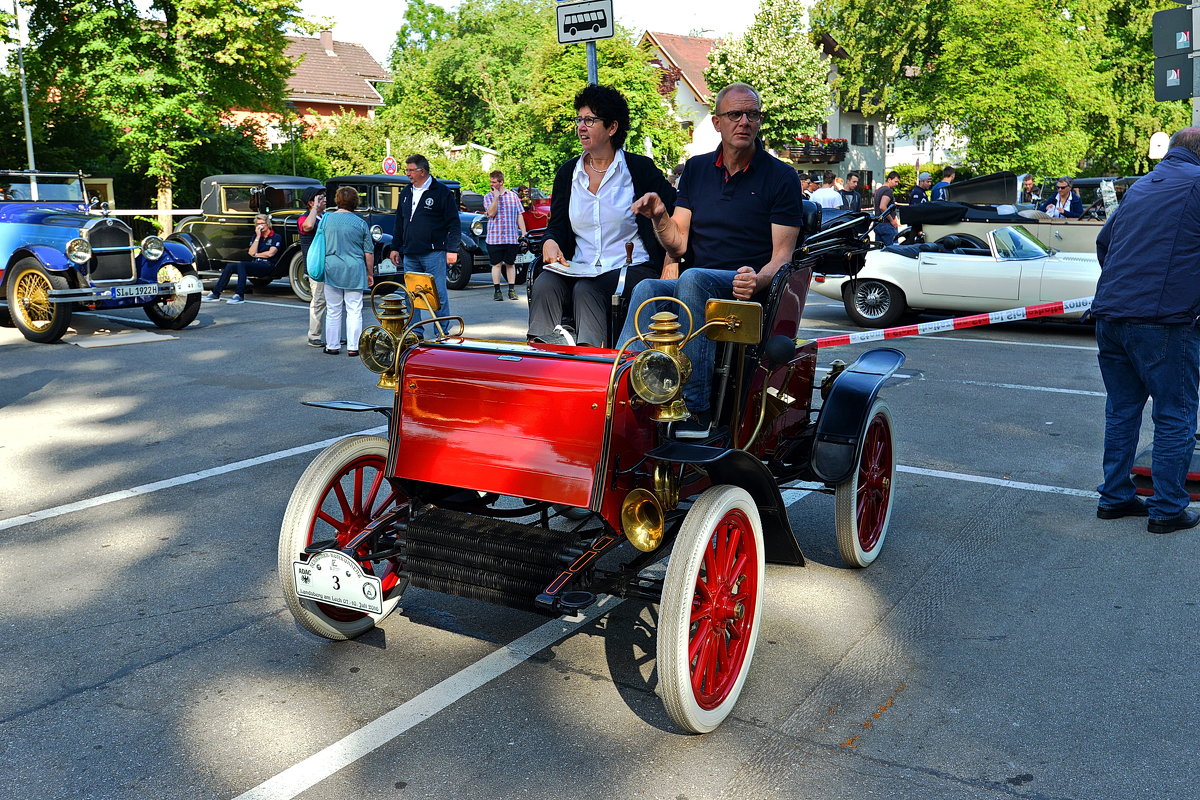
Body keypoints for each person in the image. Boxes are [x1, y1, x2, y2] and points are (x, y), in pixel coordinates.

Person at [618, 82, 804, 438]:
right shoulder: (697, 169)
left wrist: (759, 279)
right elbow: (679, 243)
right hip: (699, 281)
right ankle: (625, 389)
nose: (744, 122)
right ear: (717, 122)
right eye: (735, 114)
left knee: (694, 279)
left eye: (752, 114)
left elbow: (783, 257)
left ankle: (694, 408)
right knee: (647, 287)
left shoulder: (781, 176)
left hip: (746, 289)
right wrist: (659, 215)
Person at [1091, 127, 1200, 534]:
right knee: (1176, 414)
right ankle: (1168, 508)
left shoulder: (1140, 186)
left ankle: (1115, 497)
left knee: (1122, 409)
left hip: (1112, 314)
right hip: (1165, 320)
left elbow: (1105, 242)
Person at [531, 83, 677, 348]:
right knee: (545, 282)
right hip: (580, 266)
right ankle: (542, 357)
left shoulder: (638, 169)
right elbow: (558, 227)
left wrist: (671, 258)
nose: (581, 126)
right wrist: (549, 241)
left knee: (588, 290)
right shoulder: (567, 174)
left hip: (630, 266)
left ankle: (592, 365)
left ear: (612, 128)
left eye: (590, 120)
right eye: (579, 119)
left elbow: (676, 214)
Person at [388, 154, 459, 329]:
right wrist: (395, 247)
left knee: (438, 293)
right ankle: (415, 331)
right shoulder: (406, 192)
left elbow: (454, 223)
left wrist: (452, 249)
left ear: (423, 171)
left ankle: (442, 331)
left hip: (434, 252)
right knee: (412, 294)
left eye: (411, 170)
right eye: (407, 170)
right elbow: (399, 222)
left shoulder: (441, 192)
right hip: (410, 252)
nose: (408, 174)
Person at [320, 186, 374, 355]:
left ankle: (332, 345)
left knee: (333, 309)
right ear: (355, 202)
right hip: (354, 268)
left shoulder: (326, 220)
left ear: (337, 200)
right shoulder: (360, 223)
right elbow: (368, 251)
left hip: (332, 267)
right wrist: (369, 272)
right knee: (354, 309)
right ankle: (353, 347)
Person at [202, 213, 280, 304]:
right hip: (256, 263)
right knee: (230, 266)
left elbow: (270, 253)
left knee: (242, 265)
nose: (260, 226)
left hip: (267, 264)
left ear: (268, 224)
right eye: (258, 224)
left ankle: (239, 295)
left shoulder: (275, 237)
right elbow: (251, 252)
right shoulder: (256, 237)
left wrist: (256, 254)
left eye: (262, 224)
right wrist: (258, 237)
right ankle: (216, 293)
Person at [483, 170, 527, 301]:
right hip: (494, 237)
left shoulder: (513, 197)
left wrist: (524, 233)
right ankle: (497, 291)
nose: (492, 184)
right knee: (496, 264)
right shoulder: (488, 197)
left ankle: (511, 290)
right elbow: (491, 213)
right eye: (491, 182)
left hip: (510, 236)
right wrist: (496, 198)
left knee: (510, 263)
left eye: (494, 182)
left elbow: (520, 214)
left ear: (501, 182)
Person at [298, 187, 328, 346]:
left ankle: (333, 334)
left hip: (329, 264)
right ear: (311, 202)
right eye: (320, 198)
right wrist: (314, 209)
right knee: (319, 300)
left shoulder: (325, 216)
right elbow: (308, 227)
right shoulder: (304, 218)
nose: (324, 200)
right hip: (316, 266)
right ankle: (314, 335)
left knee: (333, 301)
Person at [872, 171, 901, 246]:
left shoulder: (879, 190)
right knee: (892, 250)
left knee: (879, 250)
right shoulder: (887, 191)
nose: (897, 184)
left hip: (878, 223)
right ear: (889, 180)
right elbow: (882, 207)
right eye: (895, 181)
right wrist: (892, 220)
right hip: (887, 224)